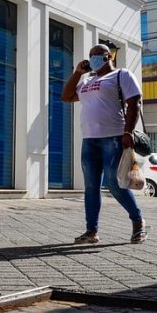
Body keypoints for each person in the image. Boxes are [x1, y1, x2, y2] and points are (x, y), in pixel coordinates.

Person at [61, 43, 148, 245]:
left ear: (108, 56)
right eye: (90, 55)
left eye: (97, 55)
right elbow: (66, 96)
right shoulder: (86, 82)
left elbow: (134, 103)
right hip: (89, 139)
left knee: (115, 183)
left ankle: (138, 221)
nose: (93, 58)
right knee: (91, 186)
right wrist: (77, 73)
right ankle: (91, 231)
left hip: (114, 137)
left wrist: (127, 132)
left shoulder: (121, 75)